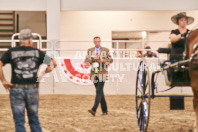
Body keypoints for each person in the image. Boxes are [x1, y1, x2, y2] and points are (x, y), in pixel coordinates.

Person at [0, 29, 57, 132]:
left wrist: (3, 80)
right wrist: (43, 73)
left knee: (19, 121)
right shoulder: (37, 52)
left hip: (16, 89)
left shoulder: (12, 52)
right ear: (30, 40)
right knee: (34, 119)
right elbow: (53, 63)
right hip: (32, 89)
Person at [85, 36, 113, 116]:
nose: (97, 43)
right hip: (94, 73)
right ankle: (105, 111)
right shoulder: (90, 50)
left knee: (98, 91)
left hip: (102, 73)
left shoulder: (106, 50)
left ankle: (94, 109)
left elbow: (110, 60)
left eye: (98, 41)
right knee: (100, 92)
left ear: (100, 42)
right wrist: (92, 60)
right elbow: (86, 61)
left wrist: (103, 61)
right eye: (96, 42)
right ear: (94, 42)